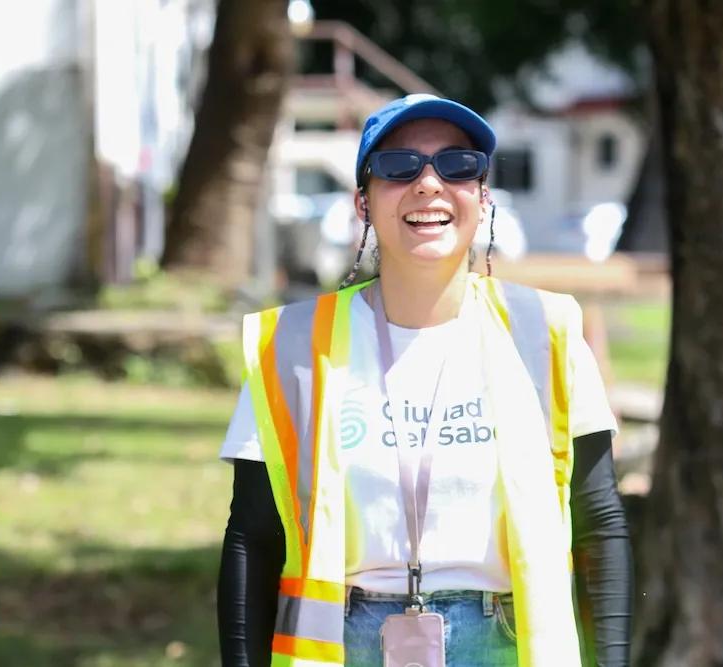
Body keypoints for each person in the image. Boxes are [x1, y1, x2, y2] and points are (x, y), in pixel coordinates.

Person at [217, 94, 633, 666]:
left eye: (458, 165)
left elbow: (600, 527)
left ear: (483, 196)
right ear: (362, 203)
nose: (429, 184)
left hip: (505, 645)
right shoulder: (290, 345)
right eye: (399, 167)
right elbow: (252, 539)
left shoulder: (548, 333)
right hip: (342, 646)